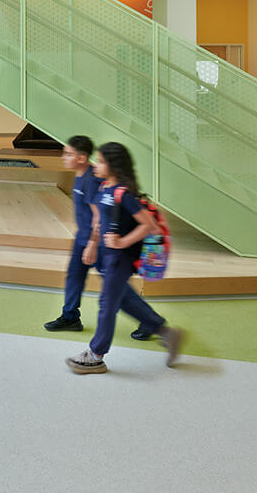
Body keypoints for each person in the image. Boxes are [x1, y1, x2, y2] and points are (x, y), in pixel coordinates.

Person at [65, 142, 183, 375]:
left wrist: (122, 242)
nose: (96, 165)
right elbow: (100, 219)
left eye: (100, 161)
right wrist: (94, 243)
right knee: (123, 300)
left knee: (106, 304)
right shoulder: (105, 188)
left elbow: (149, 226)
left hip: (121, 259)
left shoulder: (123, 193)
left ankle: (96, 356)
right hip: (108, 257)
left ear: (114, 166)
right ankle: (167, 333)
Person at [44, 135, 170, 339]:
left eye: (68, 154)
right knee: (74, 276)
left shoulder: (94, 182)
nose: (63, 157)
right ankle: (70, 316)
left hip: (99, 244)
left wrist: (93, 245)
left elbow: (98, 217)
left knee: (118, 293)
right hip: (83, 238)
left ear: (82, 158)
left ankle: (150, 322)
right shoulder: (80, 176)